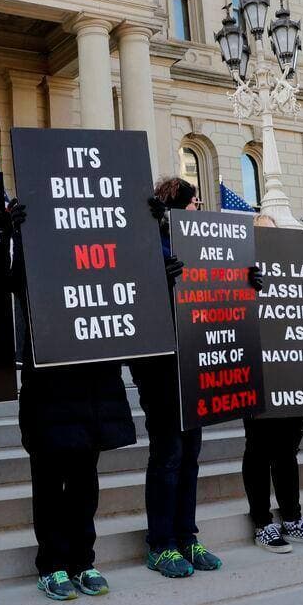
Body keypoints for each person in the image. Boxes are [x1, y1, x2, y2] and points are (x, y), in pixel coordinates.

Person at [9, 199, 136, 602]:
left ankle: (83, 560)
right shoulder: (35, 245)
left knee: (85, 481)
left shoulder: (103, 250)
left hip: (94, 383)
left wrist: (149, 228)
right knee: (48, 481)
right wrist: (14, 234)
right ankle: (51, 565)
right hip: (48, 383)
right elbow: (12, 283)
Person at [132, 179, 224, 578]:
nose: (197, 208)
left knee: (190, 456)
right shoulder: (148, 242)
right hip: (159, 368)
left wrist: (245, 280)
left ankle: (187, 535)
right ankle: (161, 543)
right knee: (168, 455)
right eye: (191, 203)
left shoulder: (199, 246)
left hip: (195, 362)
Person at [243, 214, 303, 554]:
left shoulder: (300, 268)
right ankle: (262, 522)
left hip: (297, 373)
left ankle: (292, 517)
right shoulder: (241, 271)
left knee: (287, 450)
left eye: (274, 233)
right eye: (262, 234)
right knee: (259, 449)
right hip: (259, 374)